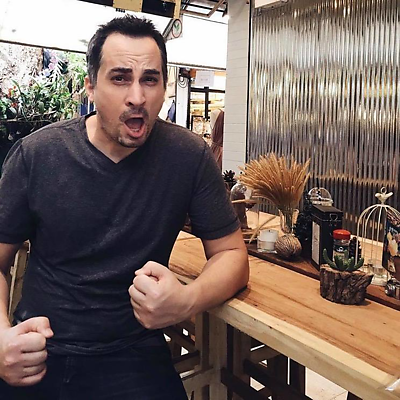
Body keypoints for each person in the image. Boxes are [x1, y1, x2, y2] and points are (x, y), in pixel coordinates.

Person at [0, 15, 249, 400]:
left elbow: (232, 254)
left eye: (150, 79)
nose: (137, 97)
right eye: (119, 78)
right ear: (90, 86)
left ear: (164, 87)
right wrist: (1, 338)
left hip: (136, 351)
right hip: (44, 346)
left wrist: (187, 301)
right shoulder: (38, 155)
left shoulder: (187, 156)